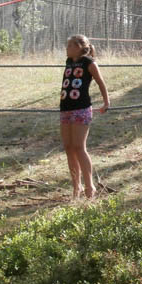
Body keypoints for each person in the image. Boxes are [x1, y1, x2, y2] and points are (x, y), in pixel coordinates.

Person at [60, 34, 109, 199]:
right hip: (65, 108)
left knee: (79, 147)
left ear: (79, 47)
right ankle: (76, 187)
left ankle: (90, 187)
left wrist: (106, 102)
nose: (66, 49)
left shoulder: (89, 63)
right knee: (69, 148)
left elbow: (100, 82)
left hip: (81, 109)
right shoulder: (69, 62)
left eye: (69, 46)